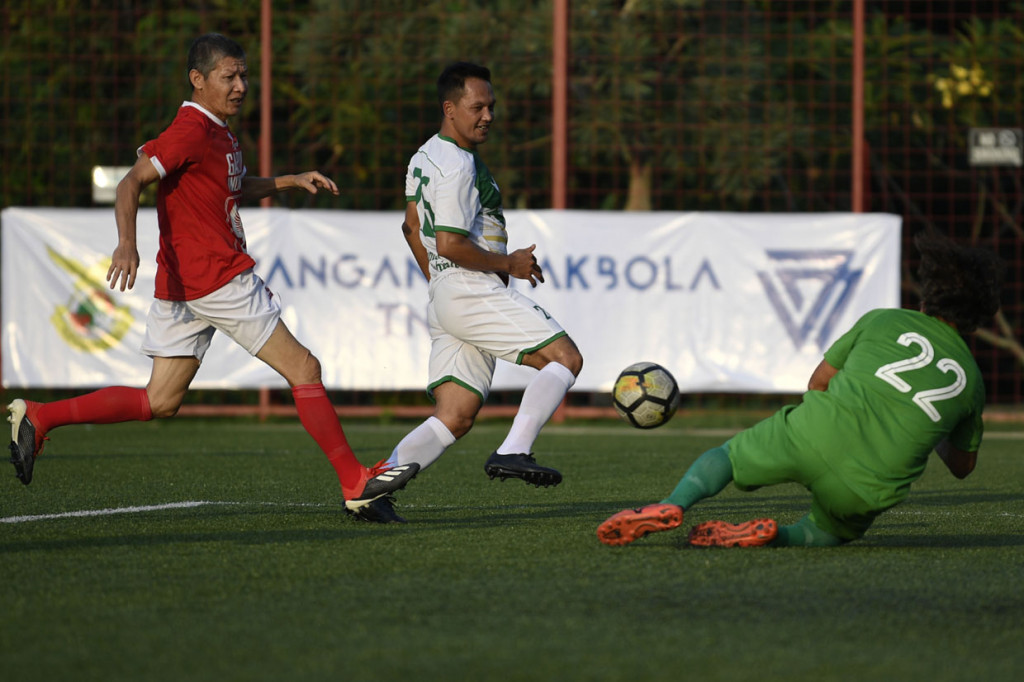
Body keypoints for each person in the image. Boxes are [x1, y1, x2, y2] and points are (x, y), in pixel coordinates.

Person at [6, 33, 418, 514]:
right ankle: (355, 483)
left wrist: (289, 179)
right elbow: (131, 182)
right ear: (197, 81)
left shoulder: (217, 131)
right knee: (305, 369)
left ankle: (40, 416)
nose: (241, 85)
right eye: (230, 76)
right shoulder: (192, 129)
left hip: (184, 285)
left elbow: (231, 188)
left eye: (244, 74)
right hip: (216, 277)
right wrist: (125, 243)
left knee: (159, 400)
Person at [597, 231, 1002, 548]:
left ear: (929, 290)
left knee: (728, 457)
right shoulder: (973, 384)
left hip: (813, 433)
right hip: (868, 486)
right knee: (831, 532)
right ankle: (778, 536)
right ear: (980, 315)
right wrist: (930, 425)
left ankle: (673, 504)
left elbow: (818, 382)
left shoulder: (883, 320)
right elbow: (962, 467)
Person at [352, 62, 583, 523]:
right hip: (470, 288)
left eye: (491, 107)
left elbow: (410, 228)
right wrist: (508, 263)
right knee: (565, 359)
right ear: (450, 108)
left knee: (455, 414)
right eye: (478, 107)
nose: (488, 116)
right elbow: (454, 244)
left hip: (449, 292)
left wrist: (439, 282)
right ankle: (514, 450)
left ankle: (369, 491)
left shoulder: (426, 155)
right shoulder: (458, 164)